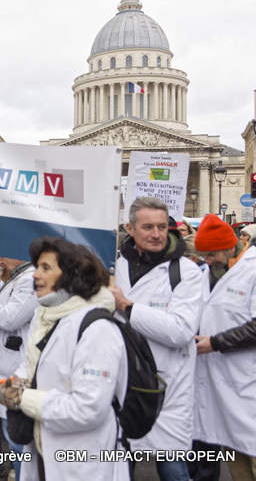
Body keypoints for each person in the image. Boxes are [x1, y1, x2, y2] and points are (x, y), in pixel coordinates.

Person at [0, 237, 128, 481]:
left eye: (46, 268)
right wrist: (14, 387)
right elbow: (32, 367)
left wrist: (23, 398)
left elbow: (88, 409)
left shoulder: (97, 328)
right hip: (44, 457)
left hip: (82, 465)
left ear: (72, 275)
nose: (36, 275)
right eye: (37, 267)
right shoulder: (48, 317)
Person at [110, 197, 203, 481]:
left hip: (167, 388)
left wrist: (126, 306)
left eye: (162, 227)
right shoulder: (114, 267)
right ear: (130, 228)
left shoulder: (185, 272)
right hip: (121, 385)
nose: (156, 234)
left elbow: (180, 331)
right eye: (148, 227)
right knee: (119, 469)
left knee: (172, 469)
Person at [192, 214, 256, 481]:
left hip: (246, 382)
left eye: (210, 253)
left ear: (230, 246)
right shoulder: (209, 273)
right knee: (237, 463)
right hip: (222, 387)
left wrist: (215, 343)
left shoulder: (252, 269)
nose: (206, 260)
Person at [0, 256, 37, 480]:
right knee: (9, 427)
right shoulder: (19, 278)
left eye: (4, 253)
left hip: (17, 372)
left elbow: (10, 317)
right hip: (8, 368)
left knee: (15, 436)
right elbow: (11, 301)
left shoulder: (30, 279)